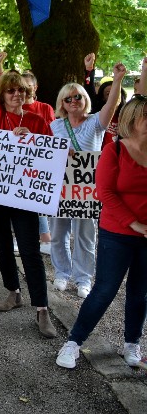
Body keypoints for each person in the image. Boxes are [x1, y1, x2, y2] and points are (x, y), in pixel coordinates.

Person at [0, 30, 56, 338]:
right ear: (3, 92)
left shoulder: (38, 120)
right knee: (3, 246)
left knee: (30, 251)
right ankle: (13, 292)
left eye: (22, 91)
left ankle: (42, 310)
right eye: (12, 90)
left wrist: (30, 138)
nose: (17, 94)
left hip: (24, 196)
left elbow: (50, 155)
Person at [56, 95, 147, 369]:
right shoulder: (115, 151)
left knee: (140, 293)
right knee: (105, 290)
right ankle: (73, 343)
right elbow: (105, 192)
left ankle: (132, 344)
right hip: (117, 233)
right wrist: (135, 224)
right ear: (132, 119)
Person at [50, 63, 125, 298]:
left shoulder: (96, 123)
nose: (74, 101)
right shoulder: (55, 125)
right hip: (61, 189)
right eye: (68, 98)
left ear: (85, 100)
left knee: (85, 235)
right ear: (62, 103)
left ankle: (83, 278)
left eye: (78, 97)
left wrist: (118, 78)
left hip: (87, 190)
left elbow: (111, 106)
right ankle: (62, 273)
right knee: (58, 233)